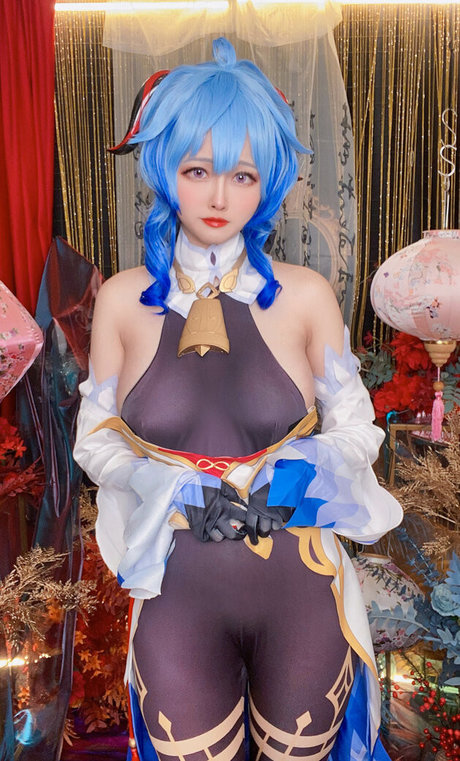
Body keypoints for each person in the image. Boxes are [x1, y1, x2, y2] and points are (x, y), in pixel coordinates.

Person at [73, 38, 402, 761]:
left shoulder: (306, 297)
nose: (220, 197)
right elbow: (94, 441)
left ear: (268, 181)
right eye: (198, 170)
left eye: (242, 174)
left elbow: (359, 431)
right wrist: (163, 482)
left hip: (300, 586)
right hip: (176, 591)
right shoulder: (122, 301)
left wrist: (292, 477)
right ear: (165, 169)